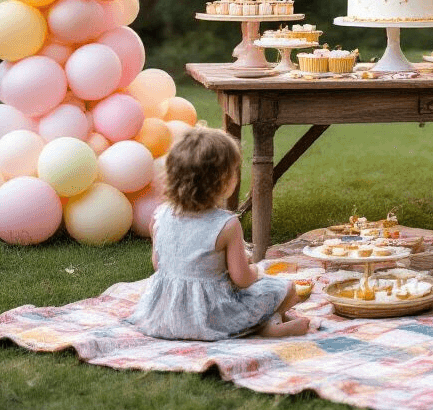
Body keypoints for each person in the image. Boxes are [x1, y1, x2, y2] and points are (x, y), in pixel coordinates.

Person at [126, 126, 309, 340]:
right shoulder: (227, 225)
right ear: (222, 181)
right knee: (285, 288)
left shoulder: (159, 216)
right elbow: (242, 279)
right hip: (212, 316)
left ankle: (266, 323)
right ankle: (267, 325)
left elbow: (159, 264)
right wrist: (255, 271)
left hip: (165, 316)